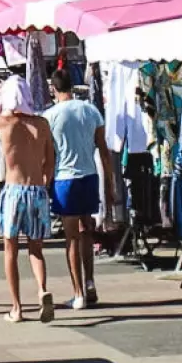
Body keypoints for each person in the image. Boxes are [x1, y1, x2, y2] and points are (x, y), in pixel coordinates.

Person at [0, 76, 56, 324]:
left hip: (14, 190)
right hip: (37, 190)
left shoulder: (5, 123)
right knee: (36, 249)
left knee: (10, 251)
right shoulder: (42, 124)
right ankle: (41, 289)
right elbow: (51, 160)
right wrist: (45, 182)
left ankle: (16, 307)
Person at [45, 69, 114, 310]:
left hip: (65, 179)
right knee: (87, 231)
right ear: (72, 86)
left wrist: (45, 183)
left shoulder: (50, 116)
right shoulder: (90, 110)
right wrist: (110, 185)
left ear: (53, 89)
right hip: (90, 176)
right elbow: (103, 150)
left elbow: (49, 156)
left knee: (71, 237)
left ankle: (78, 293)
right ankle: (90, 281)